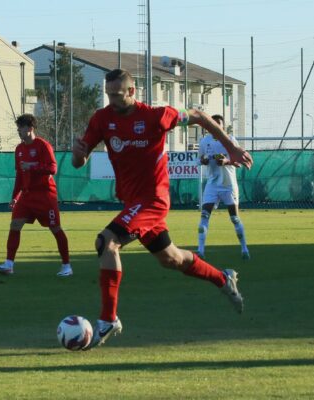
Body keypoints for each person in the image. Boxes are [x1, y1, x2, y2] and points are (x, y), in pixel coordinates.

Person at [72, 69, 253, 350]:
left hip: (153, 200)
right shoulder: (102, 119)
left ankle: (107, 320)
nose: (111, 100)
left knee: (106, 242)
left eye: (117, 95)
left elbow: (198, 115)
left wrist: (230, 148)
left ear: (132, 92)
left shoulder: (156, 116)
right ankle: (223, 278)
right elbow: (78, 163)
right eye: (108, 94)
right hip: (134, 204)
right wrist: (78, 153)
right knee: (171, 259)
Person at [0, 114, 72, 277]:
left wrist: (32, 165)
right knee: (15, 225)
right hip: (27, 196)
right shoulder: (19, 149)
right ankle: (9, 265)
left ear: (30, 128)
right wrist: (15, 197)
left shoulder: (43, 146)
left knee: (55, 228)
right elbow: (20, 176)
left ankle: (66, 266)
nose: (18, 131)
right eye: (18, 128)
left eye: (21, 127)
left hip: (45, 196)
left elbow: (53, 168)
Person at [197, 115, 250, 260]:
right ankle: (200, 251)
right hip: (212, 183)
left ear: (223, 127)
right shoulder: (204, 141)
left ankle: (244, 249)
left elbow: (238, 163)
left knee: (234, 218)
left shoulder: (231, 140)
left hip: (228, 184)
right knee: (204, 215)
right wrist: (204, 160)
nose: (217, 127)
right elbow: (200, 159)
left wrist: (227, 161)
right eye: (214, 125)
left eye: (219, 125)